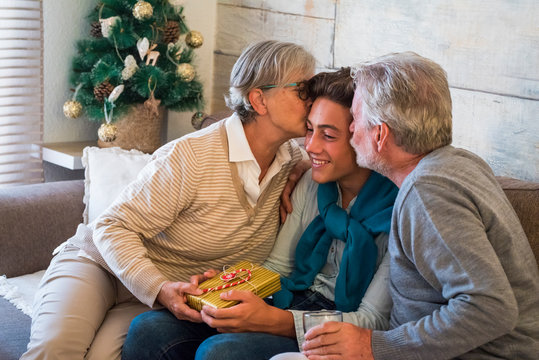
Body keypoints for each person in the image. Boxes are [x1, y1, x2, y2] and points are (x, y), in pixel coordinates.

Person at [21, 40, 315, 360]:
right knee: (56, 350)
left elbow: (319, 158)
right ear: (259, 99)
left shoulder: (290, 161)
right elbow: (111, 227)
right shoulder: (191, 156)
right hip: (100, 267)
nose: (314, 99)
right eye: (303, 89)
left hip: (157, 296)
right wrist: (159, 287)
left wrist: (304, 167)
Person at [122, 68, 398, 360]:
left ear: (367, 136)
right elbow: (277, 268)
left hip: (340, 324)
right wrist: (230, 287)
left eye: (328, 135)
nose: (311, 146)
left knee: (220, 354)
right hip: (290, 297)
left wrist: (273, 321)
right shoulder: (312, 181)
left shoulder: (401, 209)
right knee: (148, 328)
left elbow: (374, 320)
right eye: (309, 129)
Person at [294, 52, 539, 360]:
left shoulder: (427, 192)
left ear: (380, 134)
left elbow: (491, 307)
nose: (352, 130)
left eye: (355, 120)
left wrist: (374, 346)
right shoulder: (458, 164)